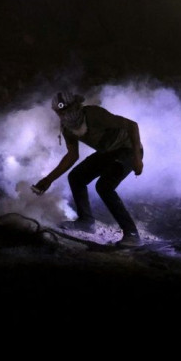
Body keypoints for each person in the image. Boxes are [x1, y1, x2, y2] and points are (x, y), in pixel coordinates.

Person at [33, 91, 144, 247]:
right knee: (76, 177)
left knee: (104, 187)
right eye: (61, 112)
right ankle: (86, 222)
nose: (66, 115)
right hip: (108, 152)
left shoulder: (94, 114)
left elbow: (132, 125)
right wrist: (48, 180)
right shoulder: (67, 129)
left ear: (77, 105)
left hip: (128, 150)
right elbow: (72, 155)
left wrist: (137, 158)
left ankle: (132, 235)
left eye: (69, 109)